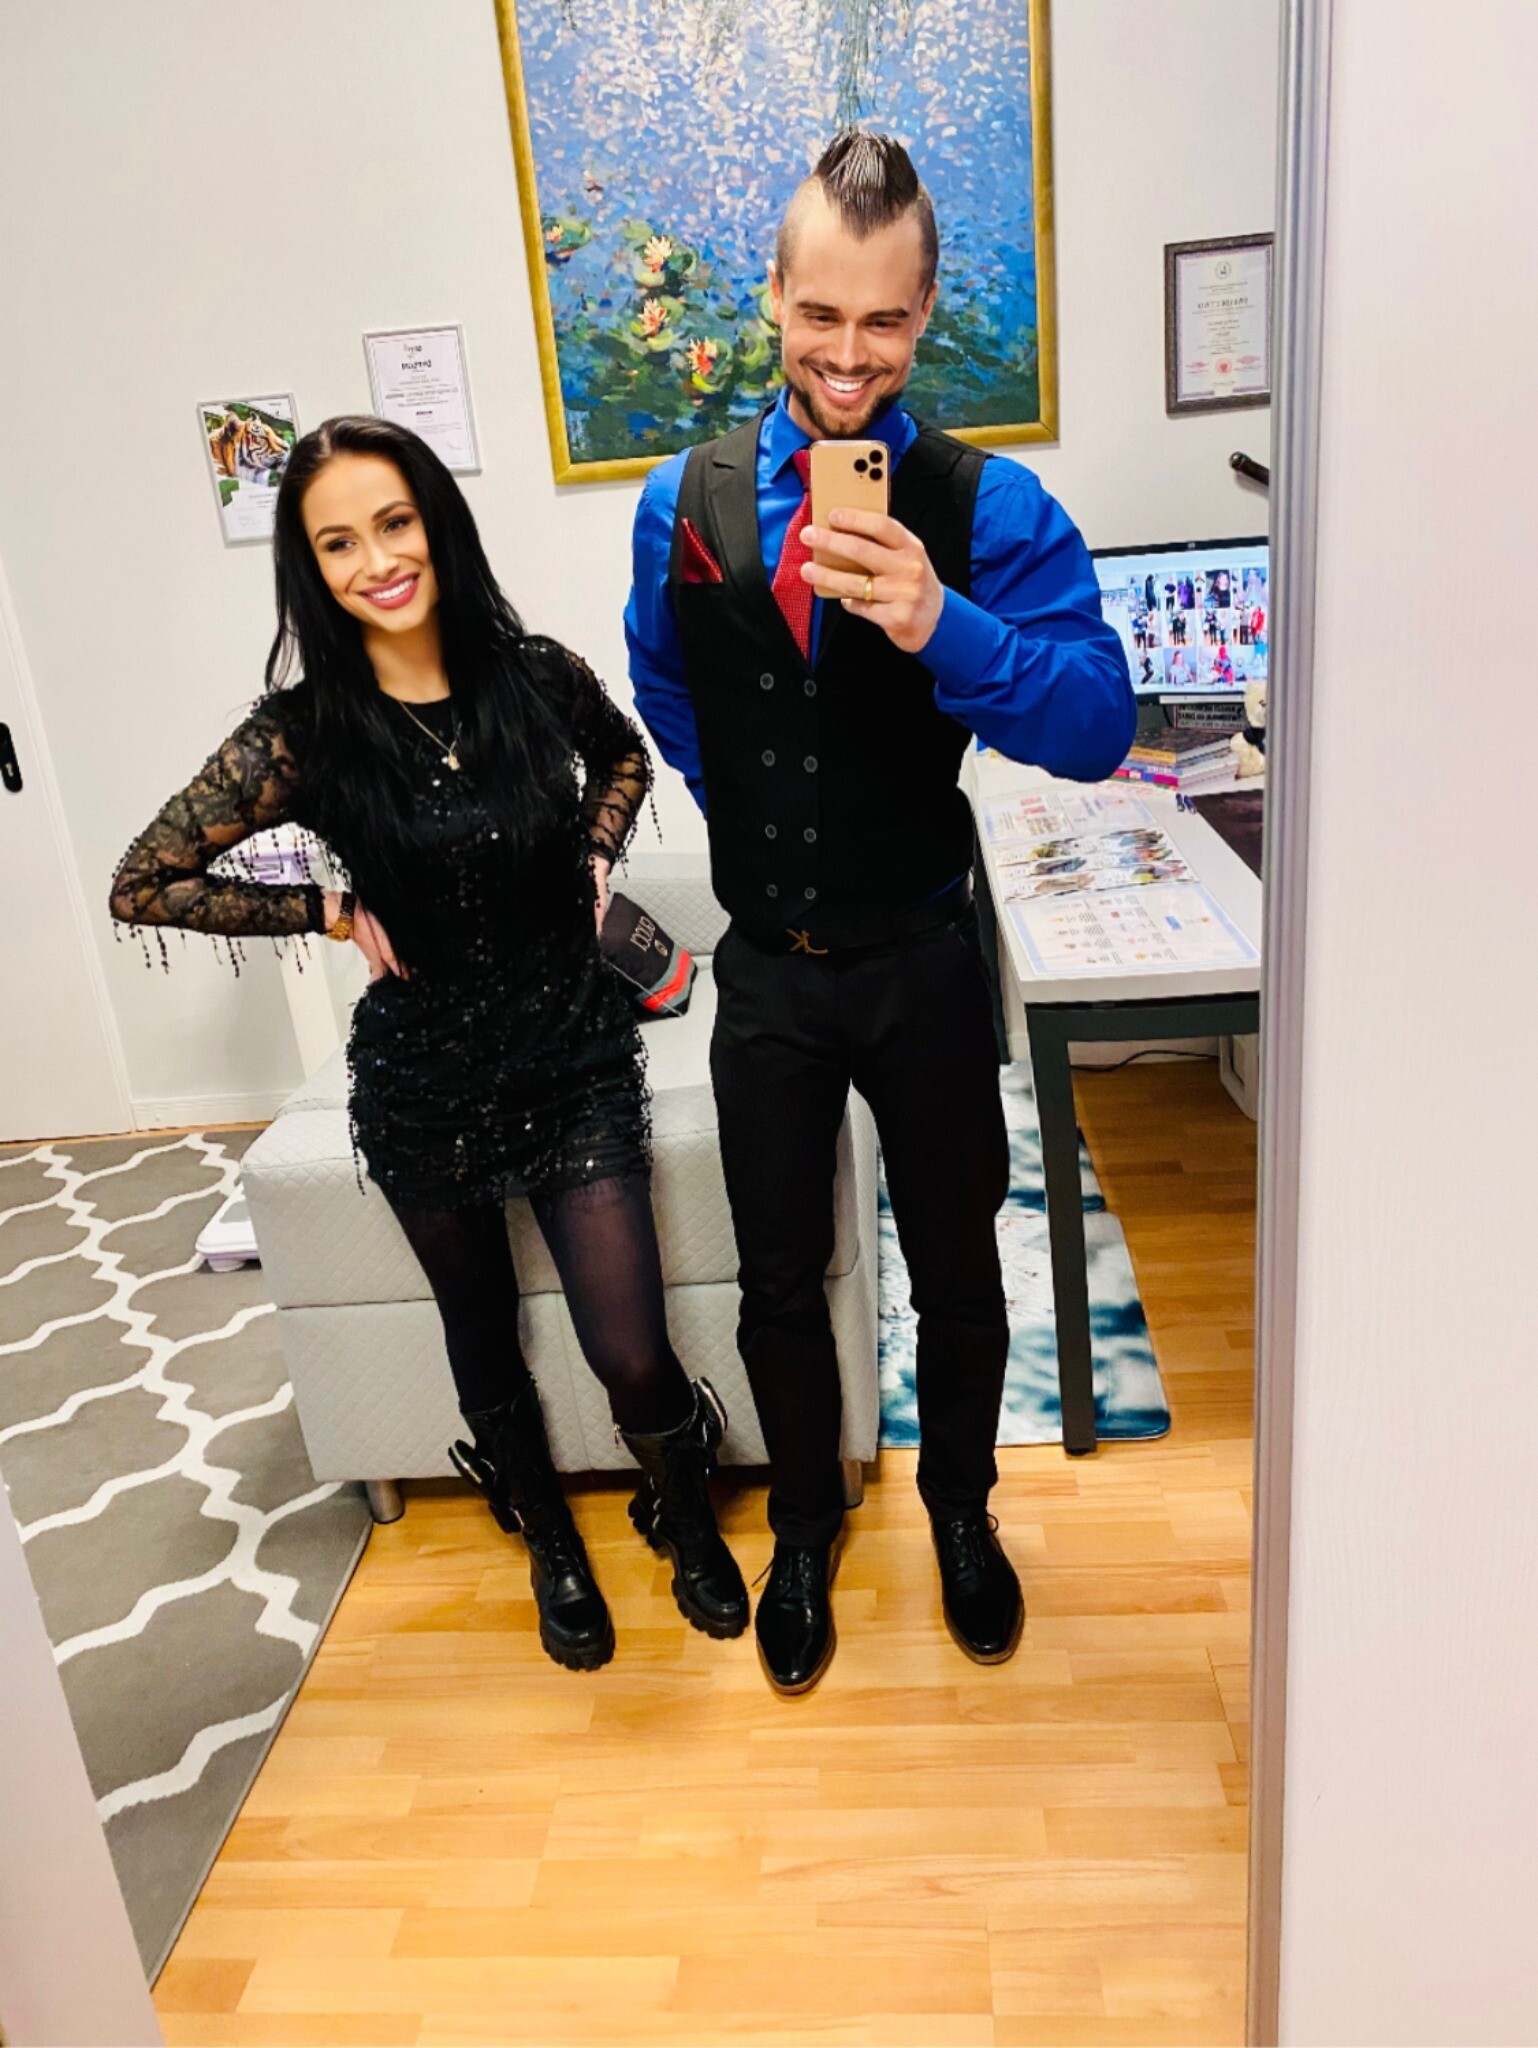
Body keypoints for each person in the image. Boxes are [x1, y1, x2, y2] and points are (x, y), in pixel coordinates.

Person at [110, 415, 749, 1673]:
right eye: (337, 542)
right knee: (480, 1329)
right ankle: (549, 1540)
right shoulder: (302, 733)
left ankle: (680, 1503)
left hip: (571, 1051)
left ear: (435, 525)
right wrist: (327, 908)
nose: (377, 560)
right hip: (423, 1077)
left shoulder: (532, 675)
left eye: (393, 523)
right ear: (310, 567)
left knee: (628, 1346)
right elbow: (147, 876)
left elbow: (621, 752)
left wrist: (594, 850)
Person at [625, 131, 1135, 1696]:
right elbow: (663, 681)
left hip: (923, 957)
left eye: (885, 321)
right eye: (820, 315)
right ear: (773, 296)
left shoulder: (992, 507)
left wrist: (938, 620)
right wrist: (751, 820)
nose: (848, 357)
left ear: (924, 316)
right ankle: (802, 1530)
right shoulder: (680, 499)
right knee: (778, 1280)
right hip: (768, 973)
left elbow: (1096, 723)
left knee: (960, 1266)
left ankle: (961, 1511)